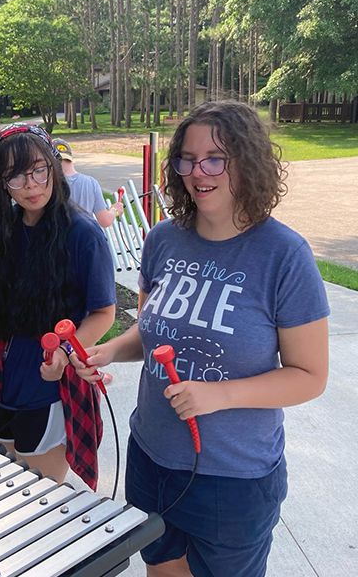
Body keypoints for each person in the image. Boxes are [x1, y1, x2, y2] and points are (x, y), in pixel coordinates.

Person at [71, 100, 330, 577]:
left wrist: (220, 395)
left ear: (247, 161)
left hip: (233, 477)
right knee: (163, 570)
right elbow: (151, 333)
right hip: (150, 455)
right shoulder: (163, 240)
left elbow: (310, 377)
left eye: (214, 157)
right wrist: (106, 350)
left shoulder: (284, 255)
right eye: (186, 159)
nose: (197, 171)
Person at [0, 122, 116, 488]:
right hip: (0, 378)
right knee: (8, 482)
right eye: (15, 176)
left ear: (54, 168)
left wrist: (63, 349)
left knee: (39, 495)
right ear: (0, 184)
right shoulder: (5, 228)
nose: (30, 185)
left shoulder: (82, 233)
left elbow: (104, 313)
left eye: (38, 170)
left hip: (49, 383)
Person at [53, 138, 123, 228]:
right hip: (85, 237)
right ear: (71, 158)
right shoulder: (91, 183)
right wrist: (115, 209)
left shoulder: (49, 184)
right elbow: (105, 221)